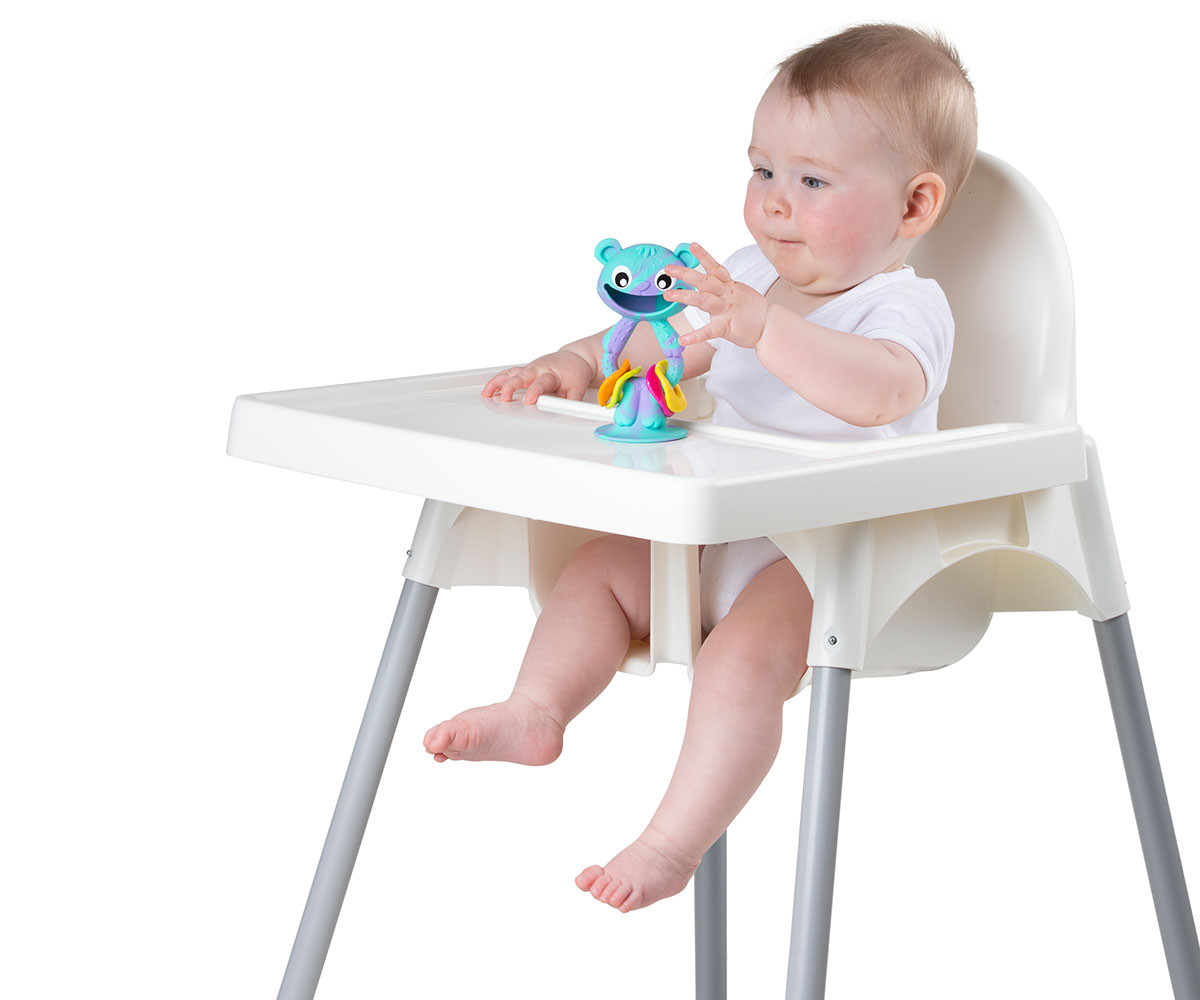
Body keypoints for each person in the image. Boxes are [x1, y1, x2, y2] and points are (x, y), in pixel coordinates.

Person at [423, 23, 978, 913]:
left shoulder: (903, 309)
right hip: (720, 525)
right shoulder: (748, 278)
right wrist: (575, 365)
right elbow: (656, 343)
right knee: (597, 570)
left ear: (913, 207)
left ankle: (671, 842)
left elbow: (879, 394)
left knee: (740, 663)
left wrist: (764, 328)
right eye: (763, 170)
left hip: (831, 554)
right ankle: (537, 709)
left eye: (811, 181)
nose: (774, 203)